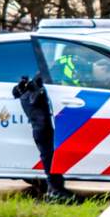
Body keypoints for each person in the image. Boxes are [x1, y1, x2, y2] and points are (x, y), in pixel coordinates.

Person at [13, 72, 70, 201]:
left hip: (42, 128)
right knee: (48, 154)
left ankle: (54, 188)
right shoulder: (32, 94)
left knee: (48, 155)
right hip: (42, 128)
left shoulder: (25, 93)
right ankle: (55, 190)